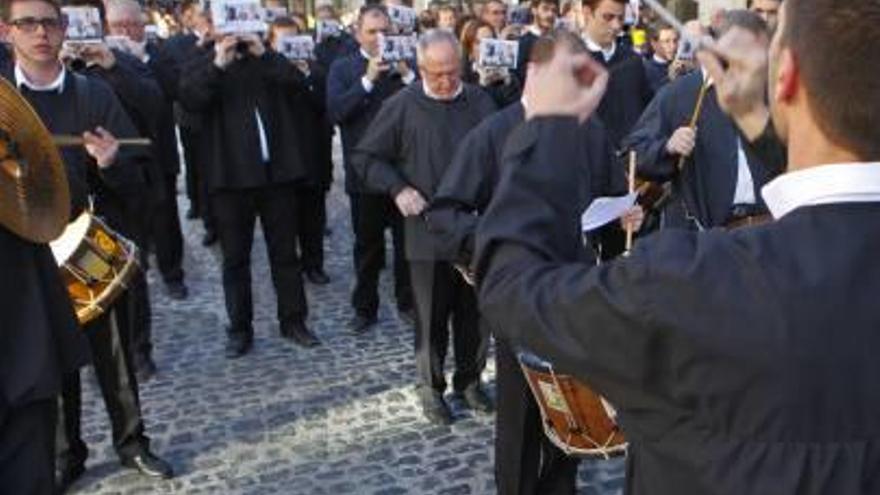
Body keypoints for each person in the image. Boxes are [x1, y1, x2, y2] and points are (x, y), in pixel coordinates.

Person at [475, 0, 880, 493]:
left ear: (786, 78)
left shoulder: (693, 283)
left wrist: (548, 126)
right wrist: (758, 124)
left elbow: (511, 289)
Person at [426, 30, 636, 494]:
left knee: (571, 411)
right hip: (518, 292)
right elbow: (444, 215)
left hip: (576, 287)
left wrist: (627, 211)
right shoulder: (495, 133)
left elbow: (607, 200)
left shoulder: (590, 131)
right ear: (536, 75)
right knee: (521, 413)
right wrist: (497, 246)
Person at [2, 0, 175, 490]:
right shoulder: (2, 99)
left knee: (116, 350)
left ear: (64, 30)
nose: (40, 33)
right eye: (27, 23)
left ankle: (132, 442)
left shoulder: (93, 94)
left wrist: (112, 164)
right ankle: (65, 453)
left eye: (50, 23)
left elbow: (143, 182)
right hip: (26, 253)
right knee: (48, 357)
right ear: (6, 31)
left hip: (89, 240)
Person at [355, 29, 497, 425]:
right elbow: (367, 158)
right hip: (426, 229)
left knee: (475, 314)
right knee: (431, 315)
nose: (447, 82)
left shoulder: (480, 101)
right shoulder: (401, 106)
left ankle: (469, 381)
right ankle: (430, 387)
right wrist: (398, 188)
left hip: (474, 227)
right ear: (420, 70)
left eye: (453, 72)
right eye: (437, 74)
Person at [179, 24, 319, 356]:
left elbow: (298, 85)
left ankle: (294, 321)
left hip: (277, 176)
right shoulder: (203, 59)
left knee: (286, 255)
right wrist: (218, 61)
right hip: (230, 178)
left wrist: (265, 52)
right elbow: (189, 99)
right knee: (235, 260)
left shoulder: (268, 57)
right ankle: (240, 329)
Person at [626, 11, 778, 231]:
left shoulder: (773, 93)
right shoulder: (678, 94)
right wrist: (668, 146)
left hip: (768, 232)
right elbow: (634, 153)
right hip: (705, 238)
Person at [326, 5, 417, 335]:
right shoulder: (344, 68)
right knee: (367, 247)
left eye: (385, 32)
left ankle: (407, 303)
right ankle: (364, 308)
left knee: (408, 247)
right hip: (364, 175)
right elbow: (336, 112)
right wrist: (367, 79)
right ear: (357, 33)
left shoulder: (408, 65)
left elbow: (429, 102)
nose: (380, 39)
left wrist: (407, 75)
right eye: (372, 32)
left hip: (406, 174)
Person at [106, 0, 189, 302]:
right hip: (120, 155)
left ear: (143, 26)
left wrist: (140, 60)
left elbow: (172, 90)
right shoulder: (98, 57)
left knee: (166, 217)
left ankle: (173, 274)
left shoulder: (161, 53)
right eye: (119, 26)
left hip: (158, 150)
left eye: (132, 24)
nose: (126, 30)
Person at [269, 17, 333, 285]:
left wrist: (304, 75)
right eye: (283, 42)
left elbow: (324, 106)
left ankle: (313, 264)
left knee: (313, 215)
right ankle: (288, 268)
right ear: (271, 43)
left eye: (294, 40)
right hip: (279, 156)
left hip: (310, 153)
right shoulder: (265, 70)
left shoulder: (316, 70)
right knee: (283, 220)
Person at [580, 0, 653, 150]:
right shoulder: (567, 62)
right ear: (587, 13)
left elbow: (648, 114)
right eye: (608, 17)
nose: (616, 26)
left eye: (620, 18)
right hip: (583, 164)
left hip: (629, 162)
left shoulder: (633, 62)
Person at [459, 19, 521, 107]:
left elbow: (516, 109)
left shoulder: (509, 77)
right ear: (470, 50)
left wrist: (507, 84)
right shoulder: (463, 78)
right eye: (478, 43)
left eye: (488, 41)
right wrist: (481, 85)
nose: (485, 47)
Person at [514, 0, 557, 83]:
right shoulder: (523, 42)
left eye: (554, 11)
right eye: (545, 9)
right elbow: (518, 76)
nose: (550, 14)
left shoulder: (558, 41)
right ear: (534, 10)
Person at [642, 23, 677, 93]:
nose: (673, 46)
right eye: (667, 41)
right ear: (654, 43)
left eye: (675, 41)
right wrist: (670, 78)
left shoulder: (682, 67)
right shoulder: (645, 70)